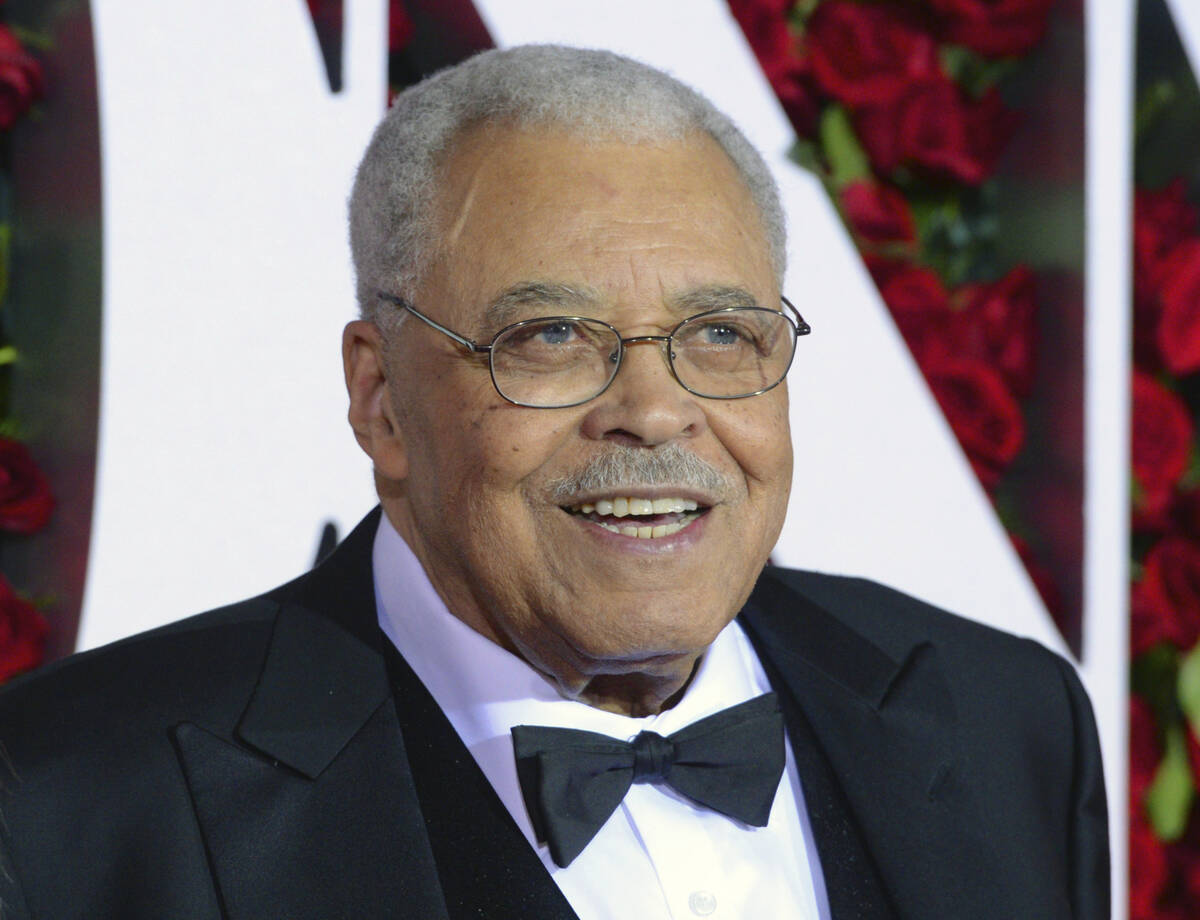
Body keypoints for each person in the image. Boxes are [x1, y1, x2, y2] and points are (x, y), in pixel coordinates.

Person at [0, 45, 1107, 919]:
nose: (656, 407)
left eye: (720, 332)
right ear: (381, 397)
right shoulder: (66, 804)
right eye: (550, 336)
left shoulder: (1008, 720)